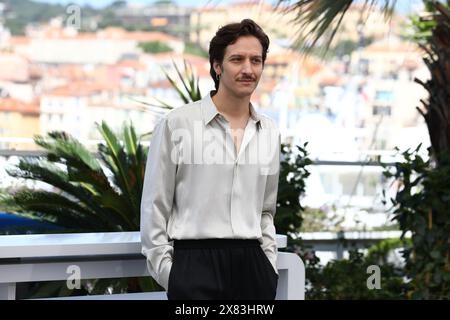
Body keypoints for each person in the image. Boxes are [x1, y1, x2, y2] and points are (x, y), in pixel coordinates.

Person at [140, 18, 281, 300]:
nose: (248, 69)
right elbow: (155, 205)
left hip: (253, 269)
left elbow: (265, 210)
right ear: (217, 66)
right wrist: (172, 275)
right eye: (237, 59)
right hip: (194, 266)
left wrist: (268, 266)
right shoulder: (177, 124)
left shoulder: (269, 131)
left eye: (256, 60)